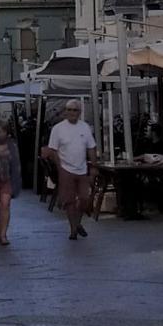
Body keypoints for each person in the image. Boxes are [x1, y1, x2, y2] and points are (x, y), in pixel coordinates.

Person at [48, 99, 97, 241]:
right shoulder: (58, 129)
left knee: (84, 199)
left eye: (75, 110)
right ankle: (73, 229)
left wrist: (93, 166)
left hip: (82, 169)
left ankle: (78, 223)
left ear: (79, 112)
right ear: (65, 111)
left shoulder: (85, 128)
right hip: (66, 169)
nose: (71, 113)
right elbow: (53, 150)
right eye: (69, 110)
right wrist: (60, 168)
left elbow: (91, 147)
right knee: (69, 201)